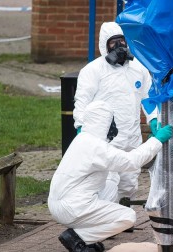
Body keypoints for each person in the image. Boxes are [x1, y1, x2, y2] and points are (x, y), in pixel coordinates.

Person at [48, 101, 173, 252]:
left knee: (112, 178)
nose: (113, 126)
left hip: (61, 202)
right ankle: (78, 238)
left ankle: (88, 238)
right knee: (128, 217)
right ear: (103, 122)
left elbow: (118, 161)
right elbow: (131, 161)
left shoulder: (82, 140)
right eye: (111, 121)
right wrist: (157, 140)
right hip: (71, 207)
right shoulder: (96, 147)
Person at [73, 22, 159, 206]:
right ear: (105, 45)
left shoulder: (139, 69)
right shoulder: (93, 71)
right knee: (108, 182)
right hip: (107, 138)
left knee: (129, 181)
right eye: (114, 43)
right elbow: (82, 101)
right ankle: (106, 216)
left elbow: (148, 98)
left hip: (132, 136)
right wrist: (80, 126)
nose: (119, 46)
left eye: (122, 41)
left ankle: (123, 211)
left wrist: (153, 120)